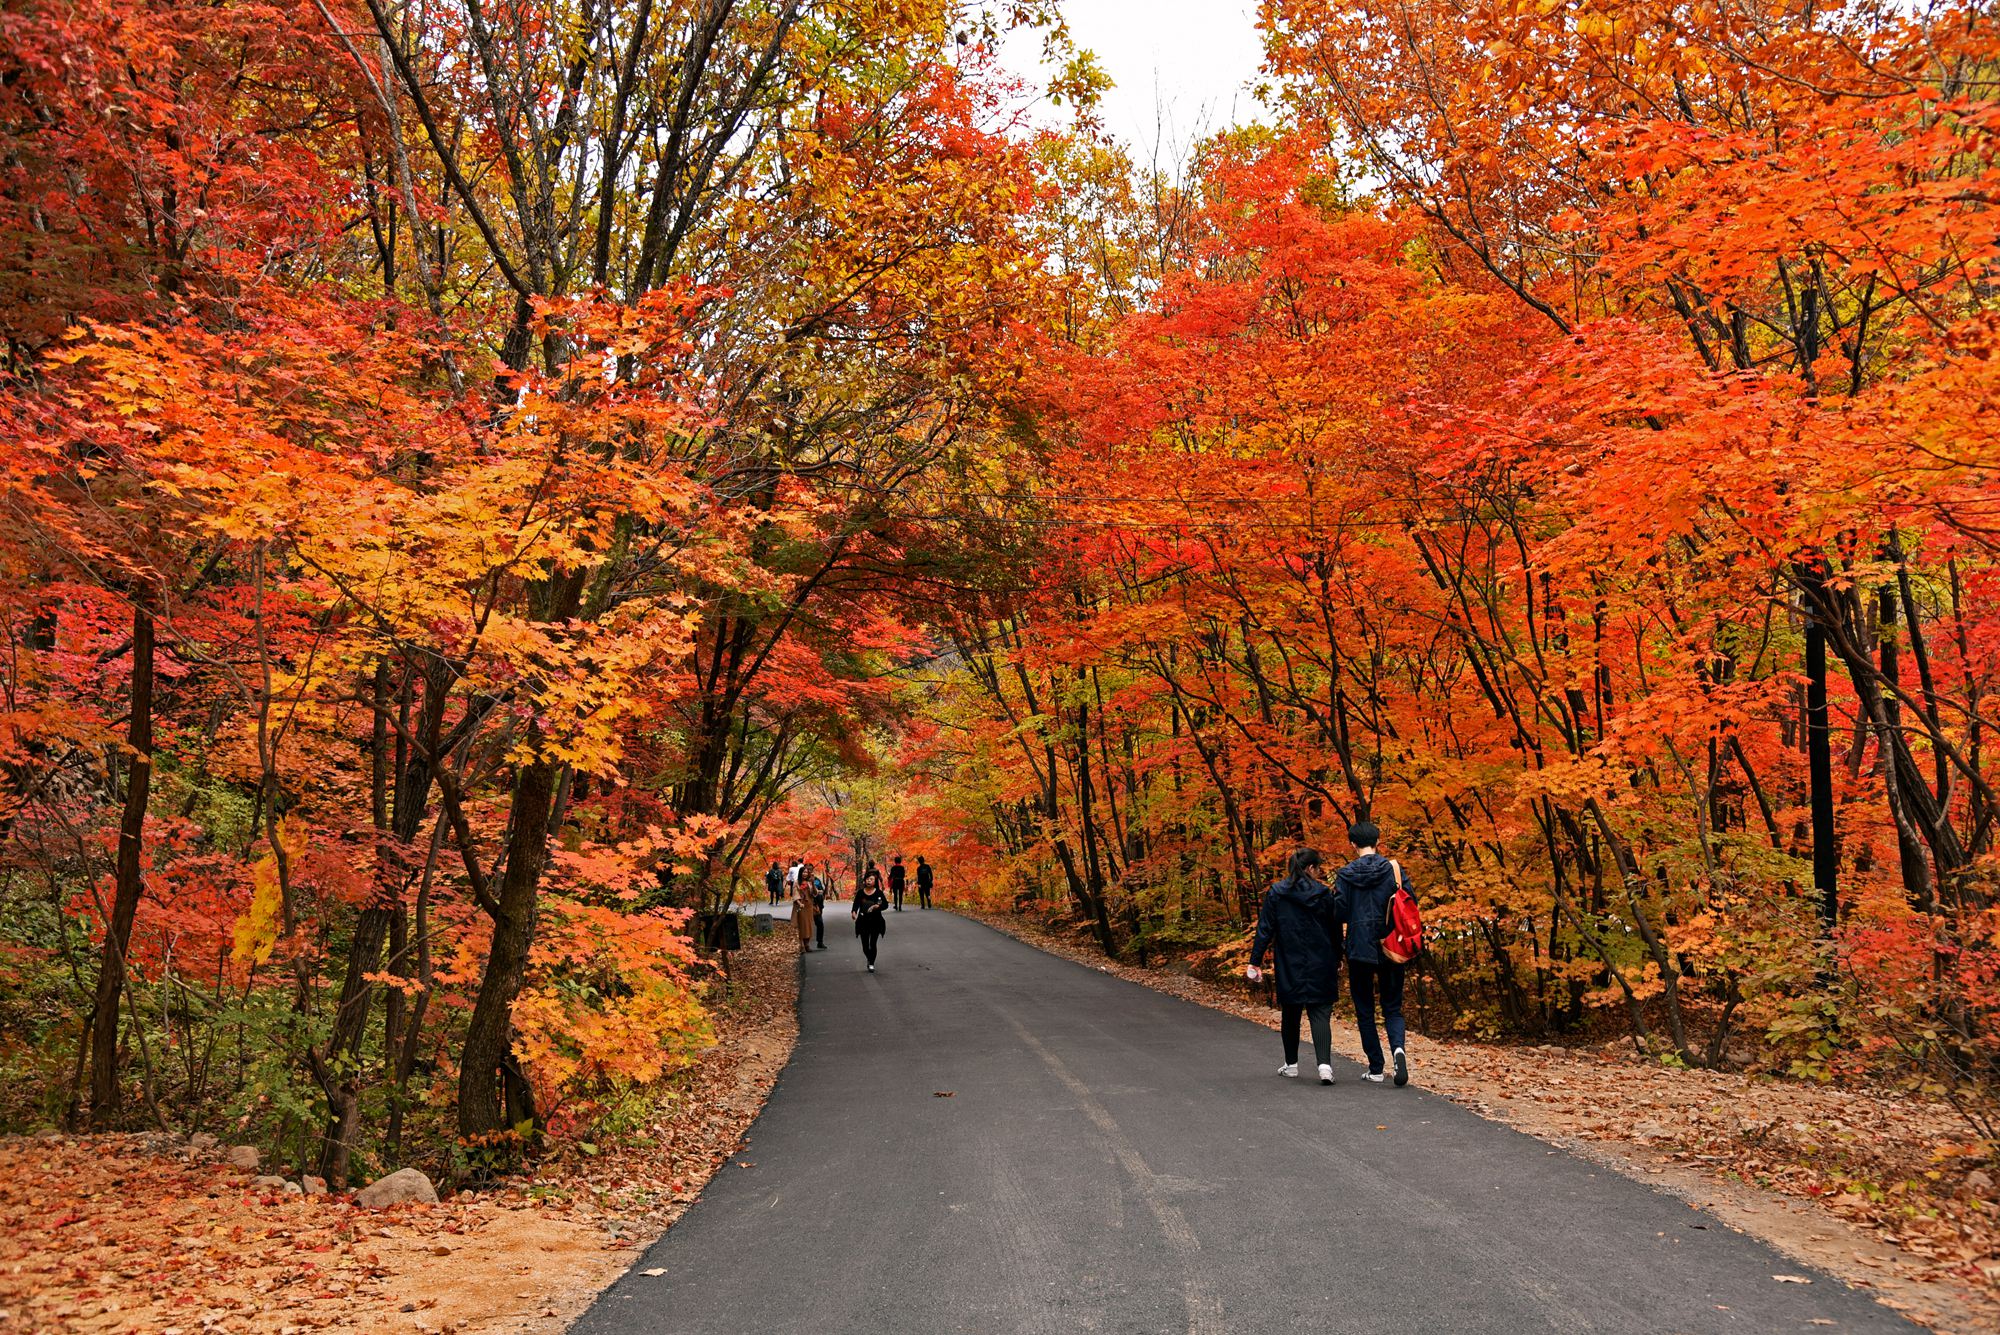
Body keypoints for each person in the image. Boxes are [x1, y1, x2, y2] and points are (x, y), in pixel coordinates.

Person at [1246, 847, 1343, 1086]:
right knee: (1320, 1012)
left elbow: (1265, 928)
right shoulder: (1324, 894)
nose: (1319, 872)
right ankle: (1324, 1066)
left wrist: (1255, 961)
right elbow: (1335, 929)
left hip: (1290, 960)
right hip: (1321, 959)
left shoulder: (1277, 893)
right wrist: (1339, 956)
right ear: (1310, 868)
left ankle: (1291, 1065)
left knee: (1291, 1012)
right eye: (1318, 868)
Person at [1333, 820, 1413, 1087]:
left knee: (1364, 1008)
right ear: (1378, 842)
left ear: (1352, 844)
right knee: (1392, 1006)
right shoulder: (1394, 869)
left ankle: (1376, 1068)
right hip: (1391, 945)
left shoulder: (1345, 874)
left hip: (1359, 947)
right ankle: (1398, 1051)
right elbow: (1410, 902)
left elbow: (1340, 912)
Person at [851, 876, 889, 972]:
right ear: (865, 881)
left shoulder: (878, 893)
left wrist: (877, 906)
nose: (869, 881)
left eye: (871, 879)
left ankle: (871, 963)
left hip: (876, 921)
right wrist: (854, 912)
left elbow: (885, 905)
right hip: (863, 921)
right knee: (865, 946)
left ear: (875, 881)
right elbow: (856, 905)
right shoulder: (860, 892)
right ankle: (869, 957)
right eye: (867, 879)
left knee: (873, 943)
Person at [790, 874, 816, 956]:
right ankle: (801, 946)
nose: (805, 874)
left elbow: (814, 893)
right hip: (801, 906)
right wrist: (799, 902)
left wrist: (813, 883)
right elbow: (795, 893)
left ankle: (807, 944)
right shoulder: (797, 882)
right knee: (802, 926)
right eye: (803, 872)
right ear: (801, 873)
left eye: (806, 872)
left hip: (809, 906)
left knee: (809, 925)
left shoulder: (809, 882)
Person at [809, 868, 828, 950]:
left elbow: (821, 891)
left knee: (820, 923)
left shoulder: (817, 881)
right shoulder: (802, 881)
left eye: (811, 870)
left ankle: (820, 942)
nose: (809, 872)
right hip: (806, 906)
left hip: (816, 906)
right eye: (807, 871)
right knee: (806, 926)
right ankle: (804, 944)